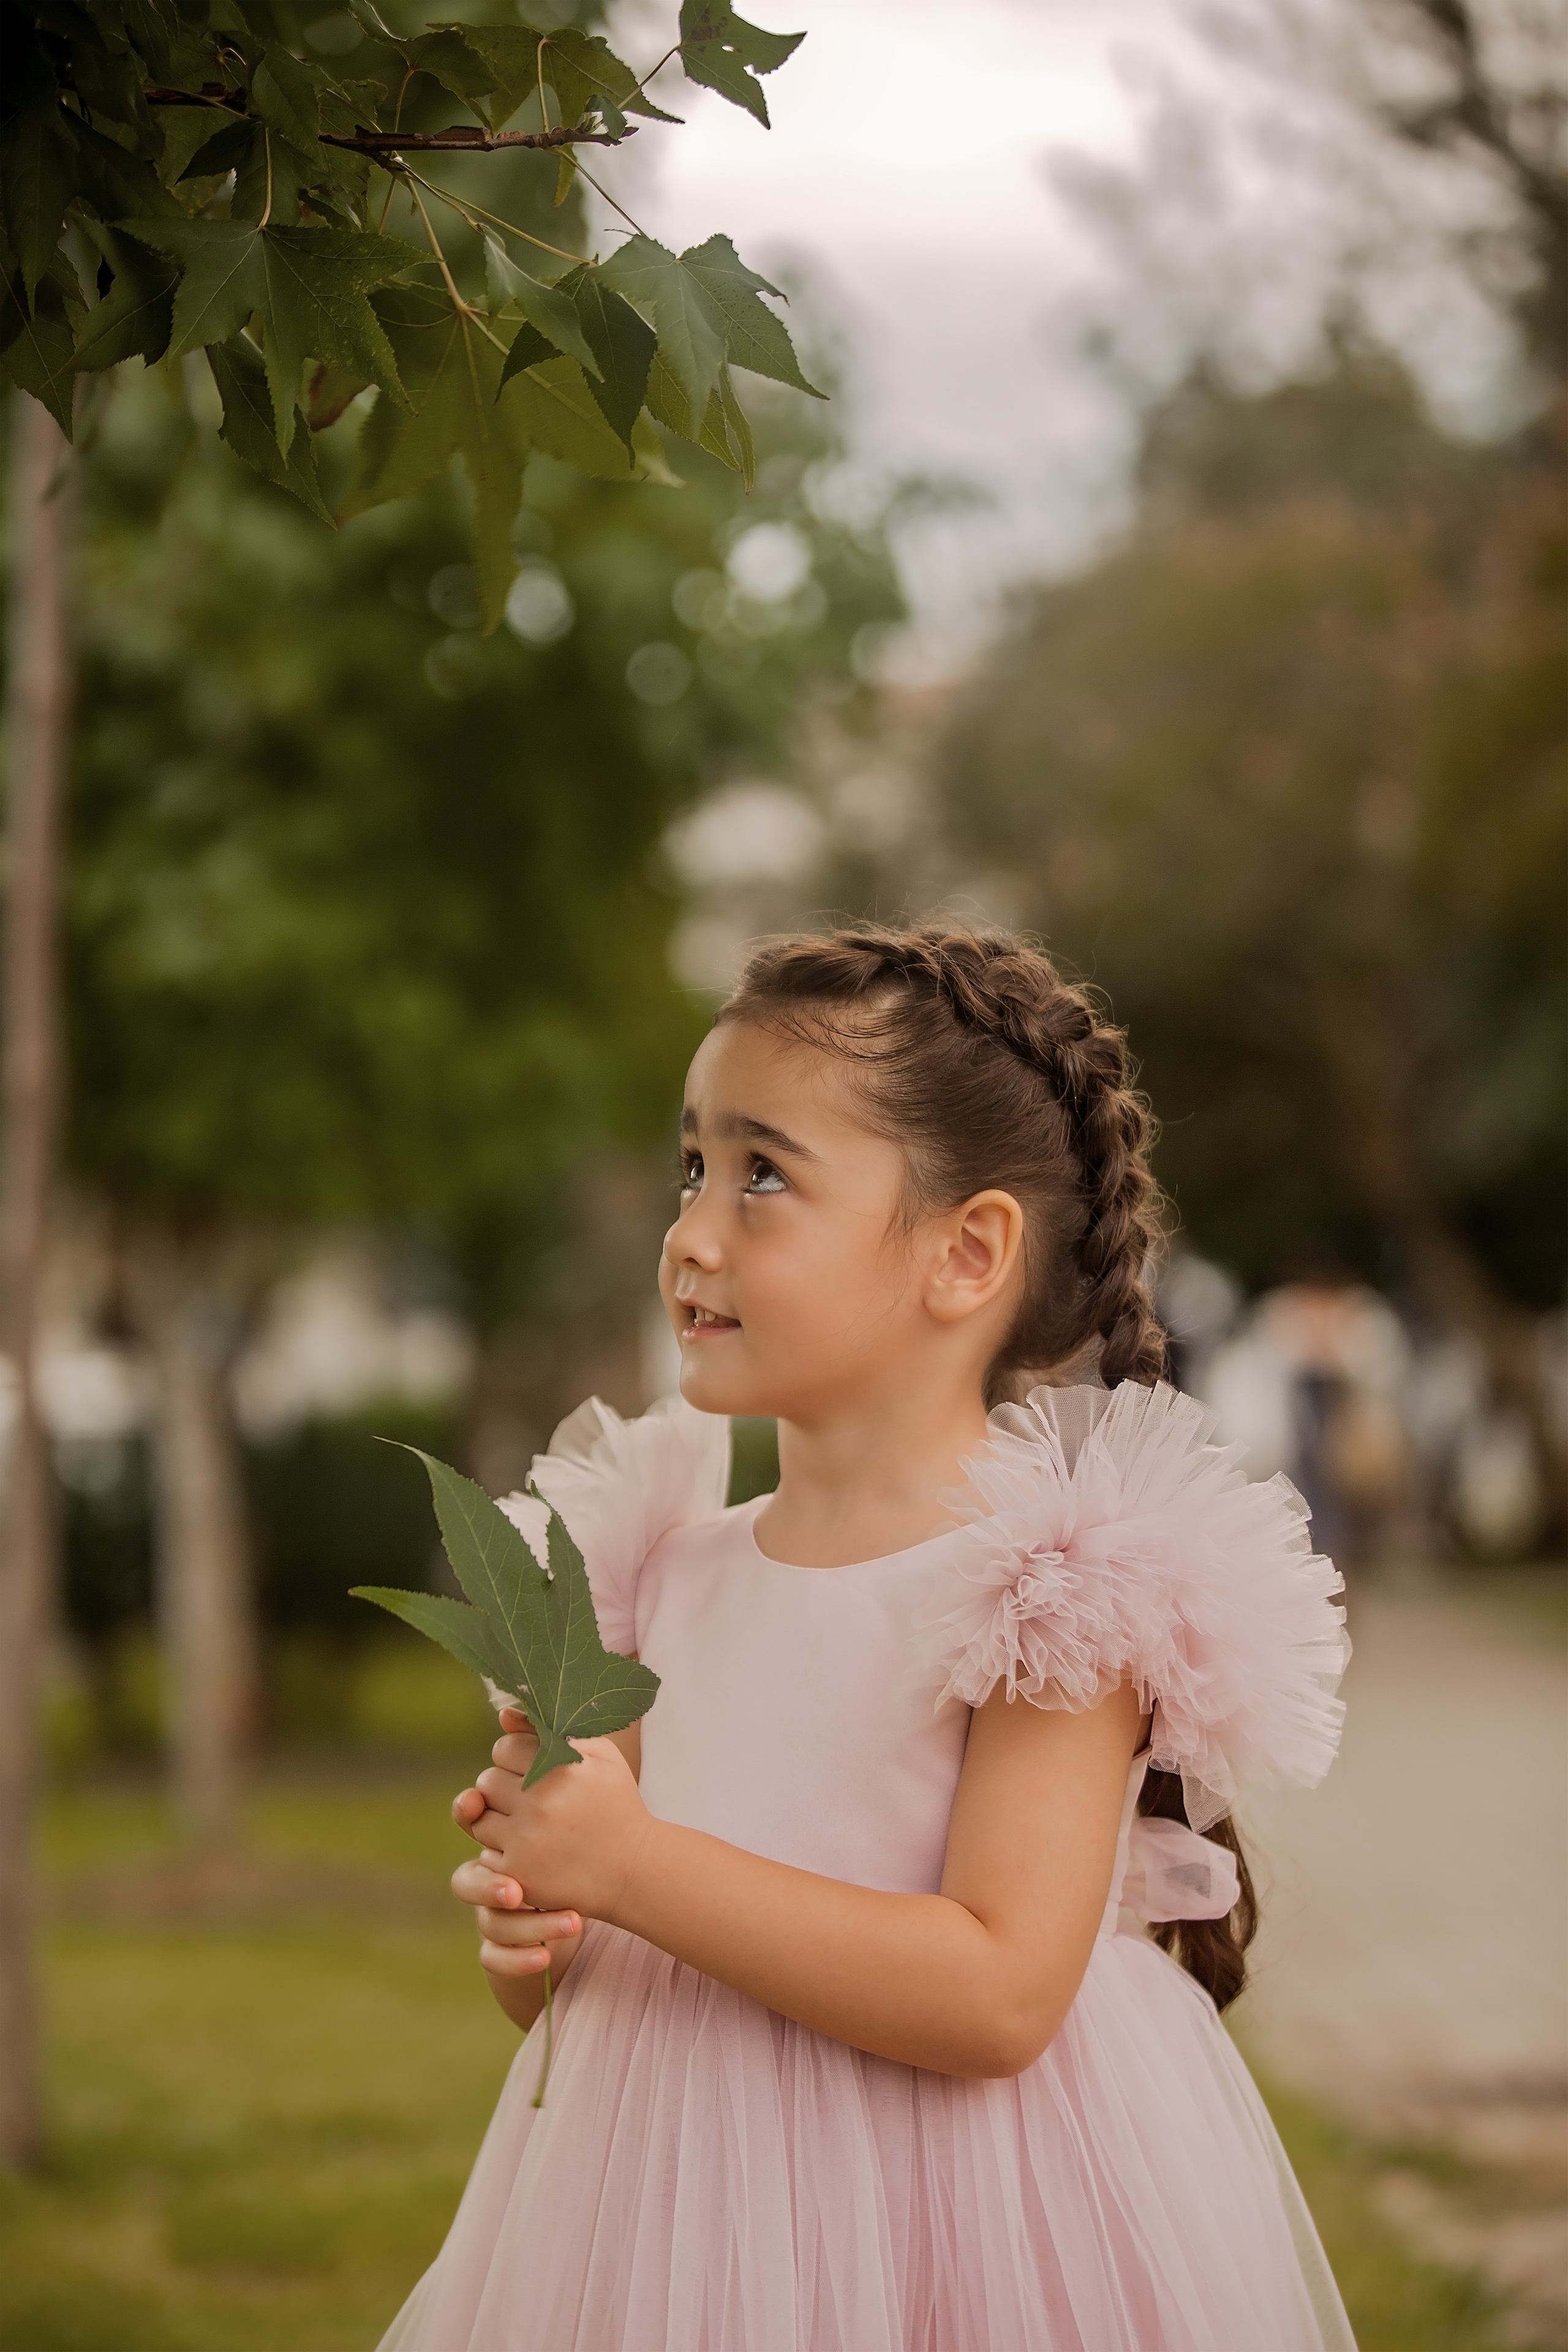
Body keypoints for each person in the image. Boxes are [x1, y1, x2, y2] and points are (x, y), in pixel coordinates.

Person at [376, 924, 1355, 2352]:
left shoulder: (1047, 1590)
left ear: (965, 1254)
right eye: (691, 1168)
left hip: (962, 2222)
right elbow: (608, 1975)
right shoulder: (656, 1571)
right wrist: (547, 1926)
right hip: (669, 2216)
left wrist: (639, 1861)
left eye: (762, 1175)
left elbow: (1000, 1991)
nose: (692, 1233)